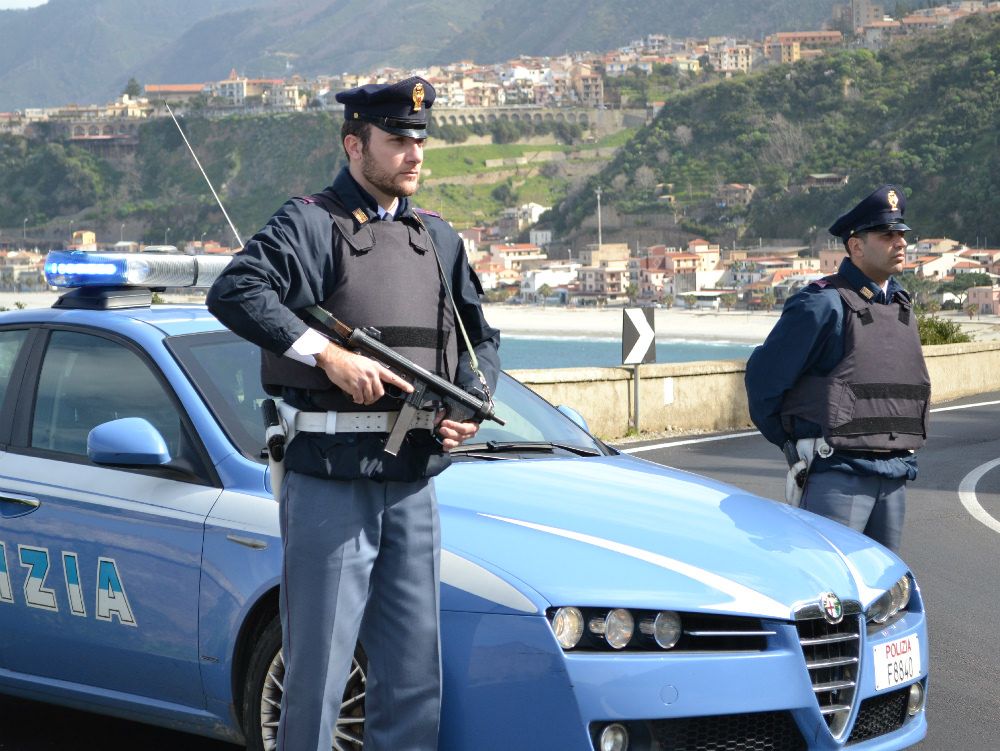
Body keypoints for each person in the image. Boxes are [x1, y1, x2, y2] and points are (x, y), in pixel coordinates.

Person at [207, 76, 500, 751]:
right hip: (331, 479)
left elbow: (479, 339)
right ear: (354, 144)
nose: (414, 153)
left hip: (414, 478)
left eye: (420, 140)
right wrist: (327, 358)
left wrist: (470, 404)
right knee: (318, 676)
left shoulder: (439, 238)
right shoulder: (312, 222)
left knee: (413, 678)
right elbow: (237, 290)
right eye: (398, 140)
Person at [744, 185, 929, 553]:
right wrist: (793, 444)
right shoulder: (823, 304)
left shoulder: (901, 305)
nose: (900, 243)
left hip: (893, 475)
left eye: (902, 234)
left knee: (883, 593)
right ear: (856, 246)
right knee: (829, 593)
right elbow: (763, 381)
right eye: (887, 235)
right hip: (836, 475)